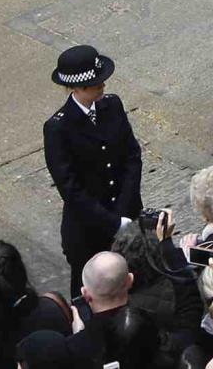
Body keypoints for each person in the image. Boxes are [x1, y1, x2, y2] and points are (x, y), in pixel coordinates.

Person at [43, 45, 144, 295]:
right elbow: (70, 188)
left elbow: (132, 157)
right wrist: (111, 222)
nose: (103, 85)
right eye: (95, 83)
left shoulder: (113, 105)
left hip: (127, 216)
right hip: (88, 230)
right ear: (76, 88)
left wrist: (123, 214)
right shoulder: (58, 128)